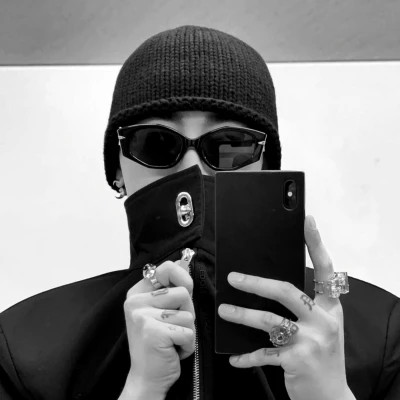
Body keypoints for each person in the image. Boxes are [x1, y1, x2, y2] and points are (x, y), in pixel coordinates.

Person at [0, 25, 399, 400]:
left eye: (230, 145)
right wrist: (140, 389)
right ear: (117, 171)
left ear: (267, 166)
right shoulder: (24, 349)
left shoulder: (384, 334)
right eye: (156, 142)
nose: (193, 170)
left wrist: (332, 394)